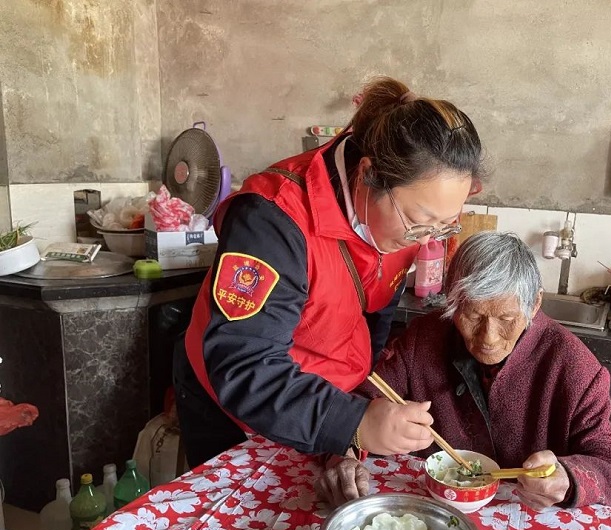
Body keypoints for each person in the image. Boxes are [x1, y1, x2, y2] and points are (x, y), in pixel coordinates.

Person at [173, 77, 485, 468]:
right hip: (236, 405)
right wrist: (351, 422)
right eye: (420, 222)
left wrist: (356, 408)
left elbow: (376, 313)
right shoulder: (273, 220)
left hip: (321, 403)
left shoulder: (403, 222)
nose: (425, 241)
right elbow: (244, 364)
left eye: (444, 225)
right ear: (368, 174)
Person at [315, 231, 611, 509]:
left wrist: (569, 479)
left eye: (506, 319)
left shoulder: (573, 367)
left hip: (526, 524)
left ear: (534, 304)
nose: (488, 338)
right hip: (432, 510)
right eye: (472, 316)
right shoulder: (424, 338)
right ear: (453, 301)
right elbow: (359, 402)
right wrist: (345, 452)